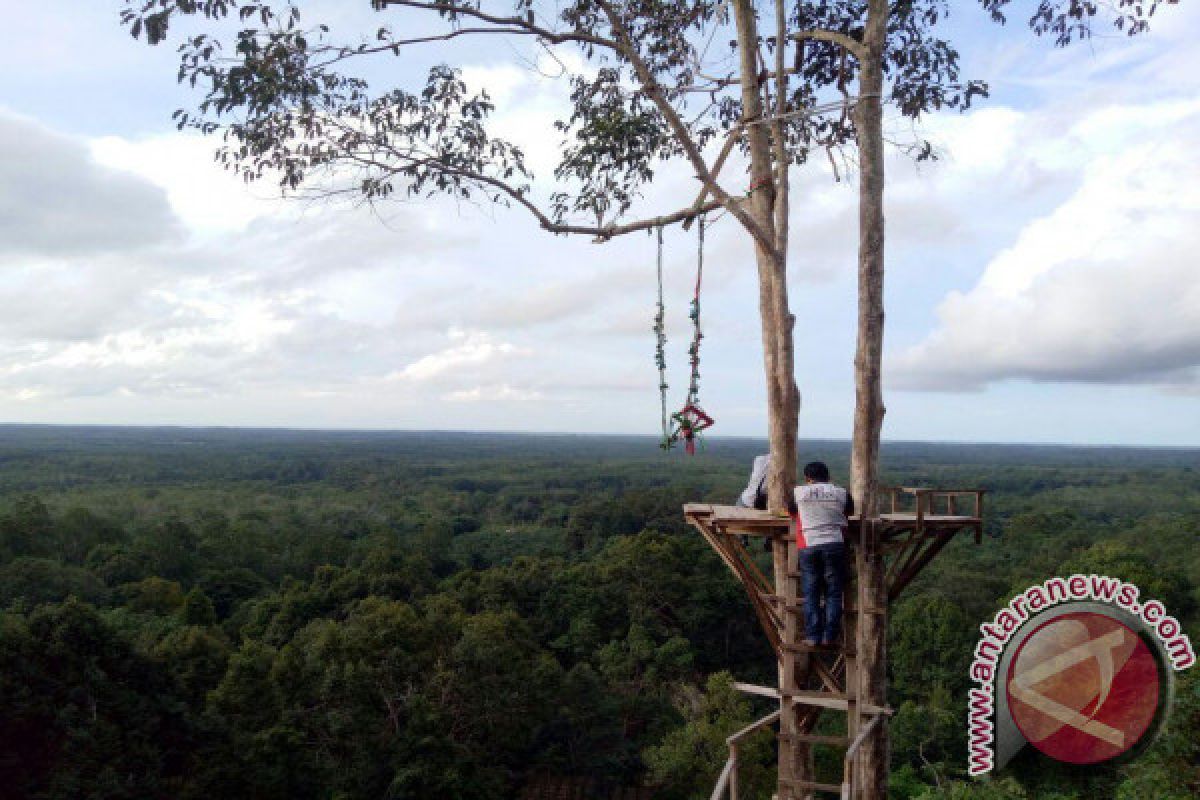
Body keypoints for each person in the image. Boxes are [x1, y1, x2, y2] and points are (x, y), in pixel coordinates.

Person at [794, 461, 854, 647]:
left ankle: (813, 637)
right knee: (834, 594)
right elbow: (849, 511)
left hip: (809, 544)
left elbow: (791, 511)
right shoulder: (841, 492)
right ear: (828, 477)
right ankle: (829, 636)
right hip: (835, 544)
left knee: (811, 594)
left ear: (807, 478)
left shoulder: (799, 492)